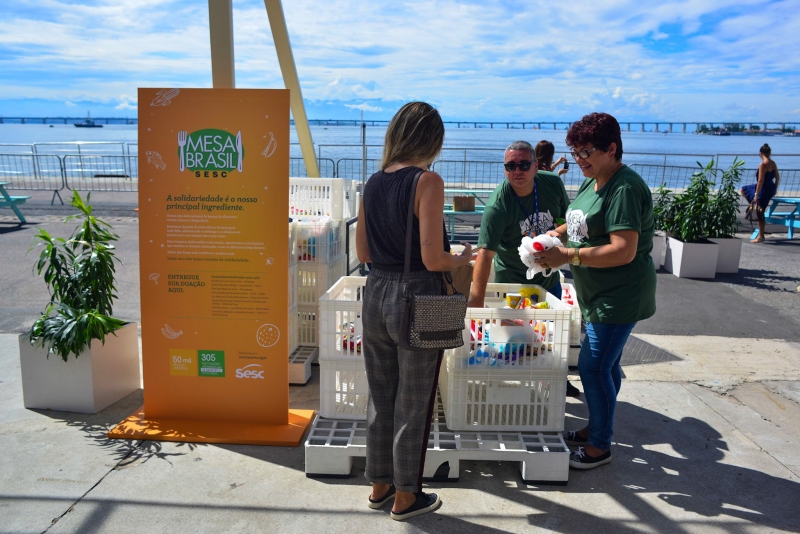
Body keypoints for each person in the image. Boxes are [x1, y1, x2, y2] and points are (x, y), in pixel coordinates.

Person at [356, 102, 472, 520]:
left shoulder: (372, 182)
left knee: (381, 395)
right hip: (421, 296)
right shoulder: (427, 180)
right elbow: (434, 259)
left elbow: (363, 252)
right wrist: (462, 256)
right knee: (415, 400)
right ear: (432, 139)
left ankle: (379, 485)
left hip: (376, 292)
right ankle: (407, 496)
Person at [531, 112, 657, 470]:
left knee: (593, 368)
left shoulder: (625, 188)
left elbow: (624, 249)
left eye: (586, 152)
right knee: (608, 366)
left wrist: (567, 256)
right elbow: (579, 225)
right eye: (575, 153)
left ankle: (601, 444)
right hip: (595, 293)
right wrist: (551, 237)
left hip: (620, 295)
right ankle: (598, 427)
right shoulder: (593, 180)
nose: (579, 160)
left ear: (611, 149)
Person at [467, 140, 581, 398]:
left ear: (535, 166)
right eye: (510, 166)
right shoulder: (499, 204)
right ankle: (514, 386)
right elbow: (485, 252)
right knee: (519, 338)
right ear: (504, 169)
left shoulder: (552, 183)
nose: (517, 171)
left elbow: (569, 220)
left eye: (523, 165)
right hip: (515, 281)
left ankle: (557, 378)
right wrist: (475, 300)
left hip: (549, 276)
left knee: (551, 335)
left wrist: (556, 239)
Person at [740, 144, 780, 243]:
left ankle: (761, 236)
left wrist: (756, 195)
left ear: (760, 153)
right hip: (770, 188)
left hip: (763, 189)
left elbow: (760, 181)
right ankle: (753, 204)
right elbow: (777, 178)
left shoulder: (762, 165)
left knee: (759, 212)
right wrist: (774, 188)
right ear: (769, 153)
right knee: (744, 190)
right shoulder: (773, 163)